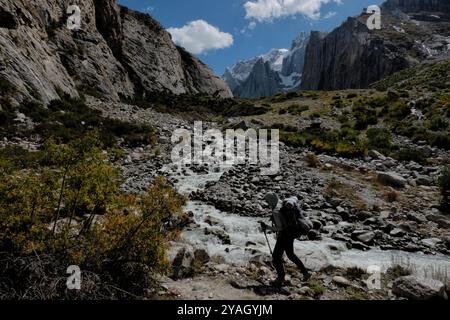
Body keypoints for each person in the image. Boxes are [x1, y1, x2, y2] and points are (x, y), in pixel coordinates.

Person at [260, 196, 312, 287]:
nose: (266, 203)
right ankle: (305, 273)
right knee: (291, 255)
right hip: (290, 234)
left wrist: (267, 227)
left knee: (276, 257)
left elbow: (280, 228)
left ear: (270, 201)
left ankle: (281, 278)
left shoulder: (276, 211)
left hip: (284, 236)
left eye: (267, 201)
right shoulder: (281, 205)